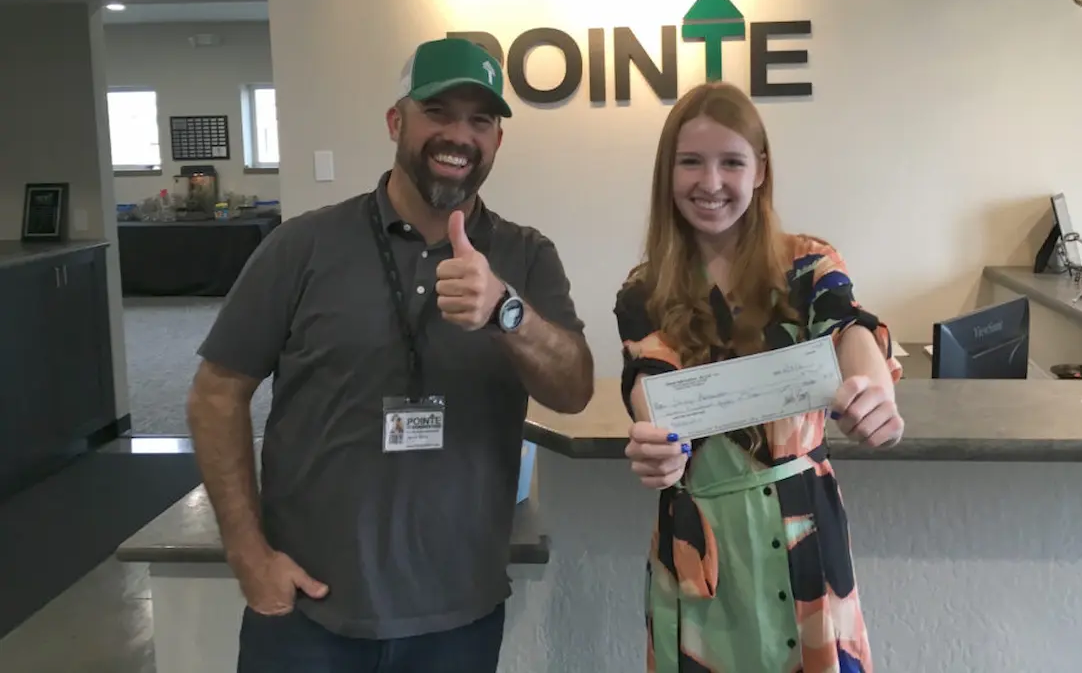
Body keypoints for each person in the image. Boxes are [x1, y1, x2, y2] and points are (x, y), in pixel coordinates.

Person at [186, 36, 595, 673]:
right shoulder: (304, 247)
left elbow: (573, 390)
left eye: (480, 120)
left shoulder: (525, 255)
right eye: (438, 112)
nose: (459, 134)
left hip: (458, 618)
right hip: (307, 613)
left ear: (497, 141)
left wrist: (506, 311)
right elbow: (217, 390)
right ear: (395, 121)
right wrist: (246, 552)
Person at [616, 81, 904, 673]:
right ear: (667, 174)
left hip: (805, 530)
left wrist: (875, 389)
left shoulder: (808, 263)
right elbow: (650, 382)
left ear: (761, 170)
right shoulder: (643, 290)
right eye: (690, 162)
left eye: (731, 162)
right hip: (702, 541)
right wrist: (658, 446)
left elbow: (848, 329)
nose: (711, 182)